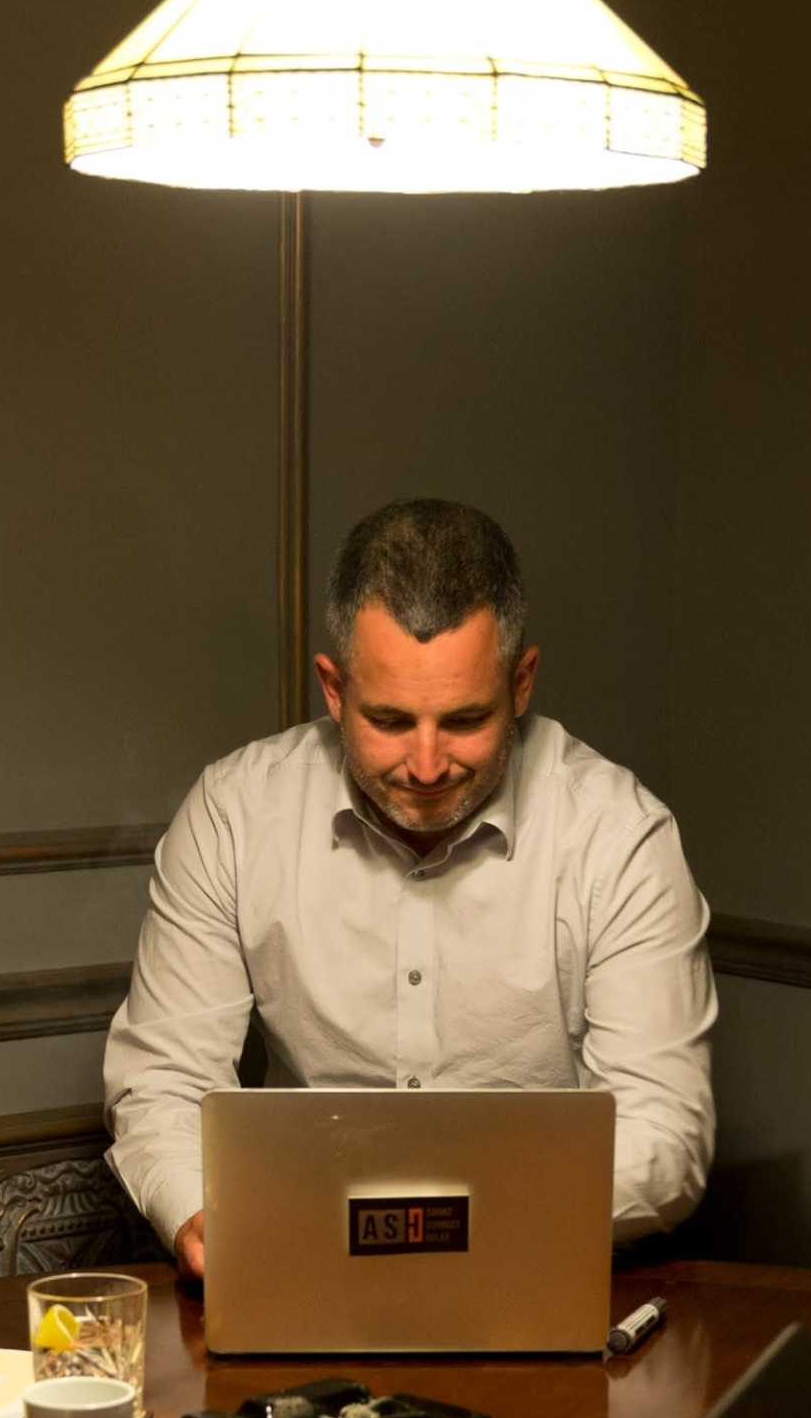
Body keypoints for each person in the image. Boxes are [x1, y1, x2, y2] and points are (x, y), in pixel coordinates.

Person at [103, 498, 717, 1277]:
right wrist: (203, 1217)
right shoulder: (236, 813)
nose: (427, 765)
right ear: (333, 689)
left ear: (522, 682)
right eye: (390, 720)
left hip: (547, 1272)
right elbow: (164, 1075)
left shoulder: (620, 836)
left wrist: (421, 1226)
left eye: (465, 719)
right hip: (296, 1264)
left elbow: (664, 1133)